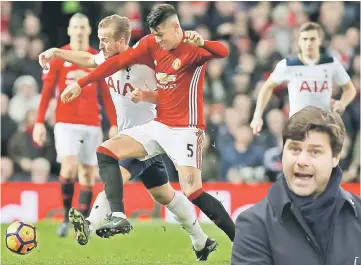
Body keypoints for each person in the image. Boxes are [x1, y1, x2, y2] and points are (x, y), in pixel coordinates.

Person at [39, 14, 217, 261]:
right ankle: (202, 240)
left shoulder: (146, 62)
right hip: (129, 138)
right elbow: (89, 59)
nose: (99, 45)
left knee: (115, 176)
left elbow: (173, 89)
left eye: (104, 40)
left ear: (122, 41)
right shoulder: (108, 58)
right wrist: (58, 52)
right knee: (164, 195)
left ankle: (89, 225)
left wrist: (148, 95)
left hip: (149, 138)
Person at [232, 106, 361, 265]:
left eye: (315, 152)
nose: (301, 161)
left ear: (335, 157)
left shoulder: (358, 214)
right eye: (294, 149)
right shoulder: (254, 225)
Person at [32, 13, 118, 237]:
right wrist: (39, 122)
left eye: (83, 27)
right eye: (75, 27)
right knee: (69, 169)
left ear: (89, 31)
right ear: (70, 31)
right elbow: (47, 92)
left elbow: (106, 95)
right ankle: (65, 217)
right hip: (66, 122)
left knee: (88, 176)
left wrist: (115, 123)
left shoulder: (96, 58)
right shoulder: (60, 57)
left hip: (92, 123)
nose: (79, 31)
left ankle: (83, 222)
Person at [250, 22, 357, 135]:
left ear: (319, 40)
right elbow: (267, 87)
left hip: (323, 126)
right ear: (299, 41)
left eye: (312, 39)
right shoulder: (287, 65)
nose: (309, 43)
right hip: (297, 127)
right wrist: (257, 116)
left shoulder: (331, 63)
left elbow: (350, 89)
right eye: (305, 39)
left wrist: (342, 103)